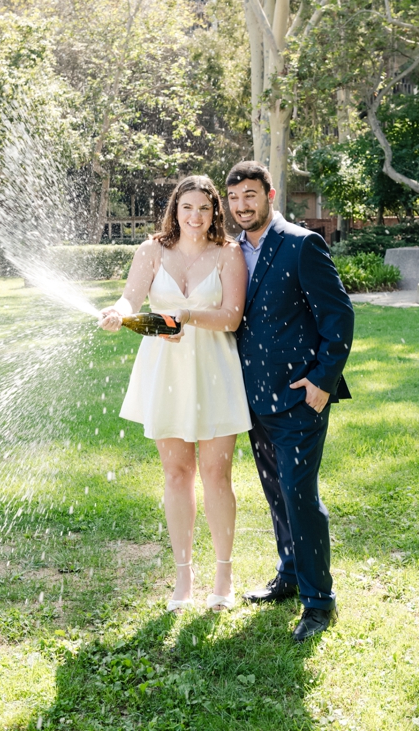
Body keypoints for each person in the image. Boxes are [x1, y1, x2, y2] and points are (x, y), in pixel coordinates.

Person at [98, 175, 250, 613]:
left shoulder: (229, 253)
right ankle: (183, 578)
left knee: (217, 475)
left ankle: (225, 573)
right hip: (166, 373)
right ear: (175, 209)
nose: (195, 216)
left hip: (214, 371)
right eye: (187, 207)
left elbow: (231, 318)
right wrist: (117, 312)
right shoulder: (150, 251)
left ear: (214, 212)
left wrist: (185, 314)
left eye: (204, 208)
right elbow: (131, 300)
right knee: (176, 475)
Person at [226, 160, 354, 643]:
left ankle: (319, 600)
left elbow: (339, 315)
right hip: (253, 400)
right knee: (277, 495)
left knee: (300, 496)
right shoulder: (230, 252)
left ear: (270, 194)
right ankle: (289, 572)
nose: (242, 206)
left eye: (251, 196)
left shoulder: (303, 245)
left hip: (301, 399)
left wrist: (322, 380)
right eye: (235, 198)